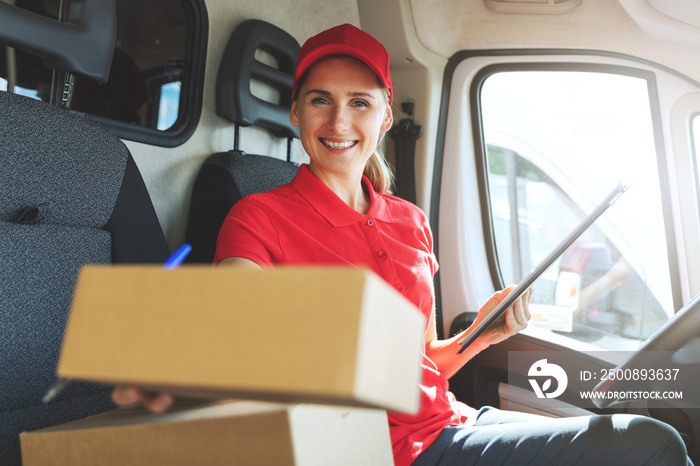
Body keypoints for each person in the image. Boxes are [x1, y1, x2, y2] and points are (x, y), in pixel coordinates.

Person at [114, 23, 692, 465]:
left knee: (637, 426)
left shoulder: (410, 221)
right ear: (295, 112)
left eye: (360, 103)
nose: (339, 121)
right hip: (384, 450)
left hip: (450, 420)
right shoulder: (257, 215)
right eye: (320, 100)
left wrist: (481, 334)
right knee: (647, 442)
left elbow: (420, 363)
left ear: (386, 117)